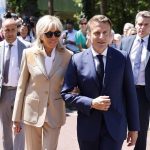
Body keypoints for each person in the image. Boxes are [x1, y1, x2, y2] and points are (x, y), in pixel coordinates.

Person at [61, 15, 140, 150]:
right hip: (88, 129)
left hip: (115, 128)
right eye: (97, 33)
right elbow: (66, 94)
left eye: (105, 33)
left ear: (110, 35)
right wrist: (91, 103)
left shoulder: (122, 58)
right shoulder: (77, 60)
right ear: (89, 35)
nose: (102, 37)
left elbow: (130, 94)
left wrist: (134, 128)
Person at [12, 15, 72, 150]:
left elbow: (71, 85)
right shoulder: (28, 54)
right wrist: (16, 117)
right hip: (32, 111)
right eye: (49, 34)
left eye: (57, 33)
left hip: (55, 112)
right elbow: (21, 86)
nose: (53, 38)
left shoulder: (68, 56)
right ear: (40, 35)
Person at [120, 10, 150, 150]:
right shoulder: (125, 42)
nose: (141, 27)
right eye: (139, 24)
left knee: (141, 130)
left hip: (143, 93)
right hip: (124, 91)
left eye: (146, 24)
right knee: (118, 127)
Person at [0, 18, 31, 150]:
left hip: (21, 92)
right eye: (7, 30)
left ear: (17, 30)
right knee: (5, 128)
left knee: (20, 127)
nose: (10, 33)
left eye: (13, 29)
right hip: (4, 92)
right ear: (2, 31)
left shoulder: (28, 47)